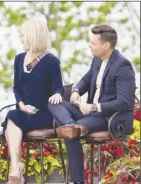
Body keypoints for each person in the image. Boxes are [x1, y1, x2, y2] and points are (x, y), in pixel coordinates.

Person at [48, 24, 136, 184]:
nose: (89, 45)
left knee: (72, 132)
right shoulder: (97, 59)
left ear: (106, 45)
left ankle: (77, 181)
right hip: (87, 111)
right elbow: (86, 79)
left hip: (108, 117)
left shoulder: (123, 66)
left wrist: (94, 107)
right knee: (54, 102)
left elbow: (124, 102)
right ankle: (69, 123)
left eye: (93, 43)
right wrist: (75, 92)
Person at [2, 17, 64, 184]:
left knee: (12, 120)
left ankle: (16, 171)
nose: (21, 39)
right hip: (24, 111)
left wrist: (58, 94)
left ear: (34, 36)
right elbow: (16, 88)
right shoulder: (19, 59)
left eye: (24, 35)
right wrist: (22, 105)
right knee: (13, 115)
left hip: (44, 114)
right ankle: (16, 169)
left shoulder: (51, 61)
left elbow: (59, 87)